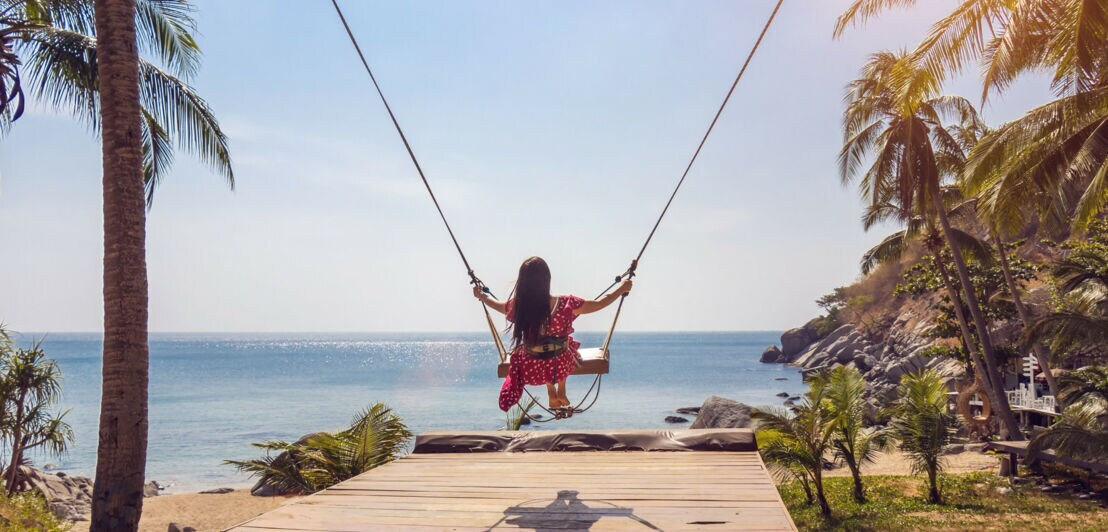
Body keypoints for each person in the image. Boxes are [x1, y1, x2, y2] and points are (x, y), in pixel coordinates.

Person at [473, 256, 632, 411]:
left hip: (532, 371)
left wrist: (482, 296)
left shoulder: (518, 306)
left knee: (538, 349)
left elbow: (496, 304)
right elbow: (599, 303)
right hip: (561, 367)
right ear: (547, 280)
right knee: (563, 345)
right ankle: (560, 388)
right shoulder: (565, 304)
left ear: (522, 282)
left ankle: (551, 391)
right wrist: (622, 289)